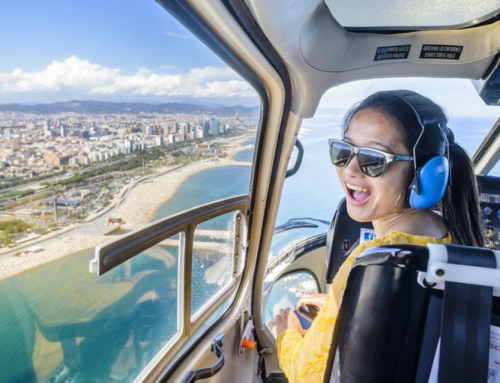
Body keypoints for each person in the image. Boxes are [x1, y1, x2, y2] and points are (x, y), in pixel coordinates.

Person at [270, 90, 484, 383]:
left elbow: (307, 375)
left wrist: (287, 333)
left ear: (425, 173)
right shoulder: (449, 237)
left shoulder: (372, 261)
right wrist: (341, 304)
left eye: (374, 159)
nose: (350, 169)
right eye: (343, 152)